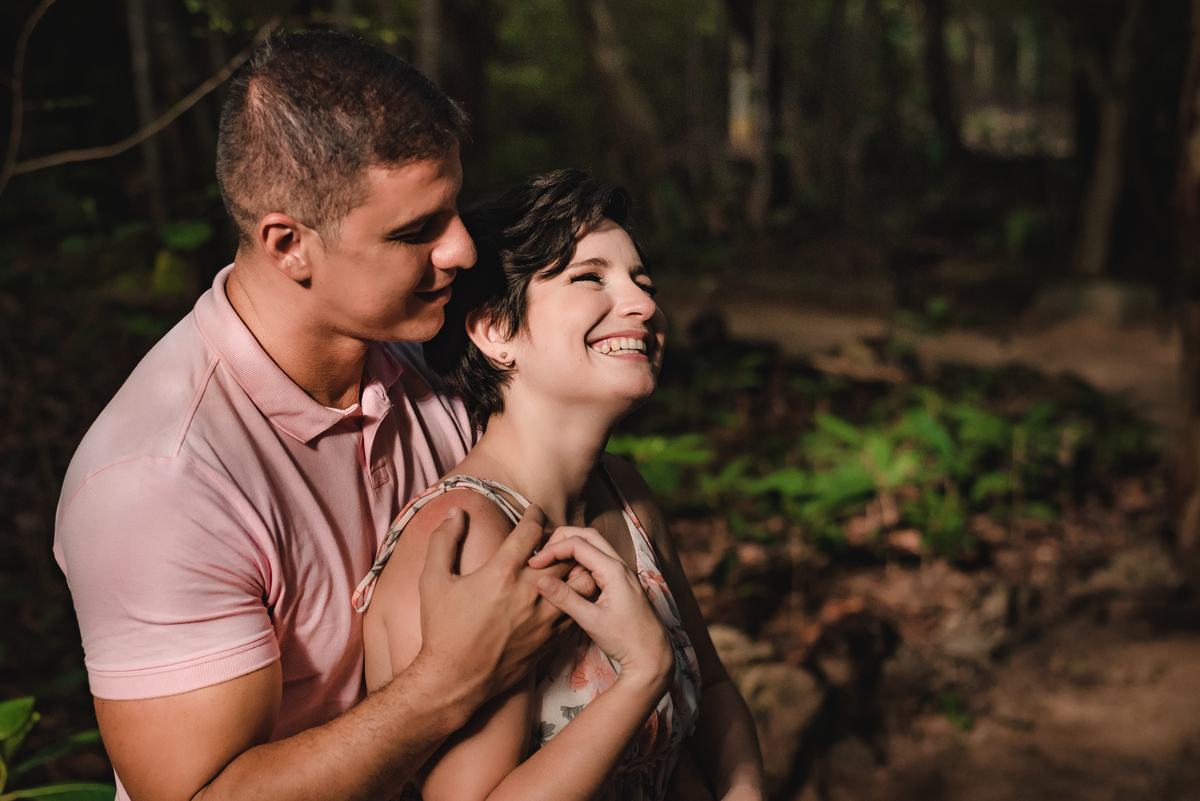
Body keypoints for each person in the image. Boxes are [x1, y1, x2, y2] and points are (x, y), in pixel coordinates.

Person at [53, 32, 609, 801]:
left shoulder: (437, 356)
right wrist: (443, 682)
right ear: (289, 245)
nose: (462, 248)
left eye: (452, 208)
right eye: (416, 231)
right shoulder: (159, 479)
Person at [355, 171, 766, 801]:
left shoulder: (624, 495)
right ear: (496, 331)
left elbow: (710, 694)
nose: (644, 305)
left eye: (643, 282)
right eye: (590, 277)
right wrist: (641, 675)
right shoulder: (468, 536)